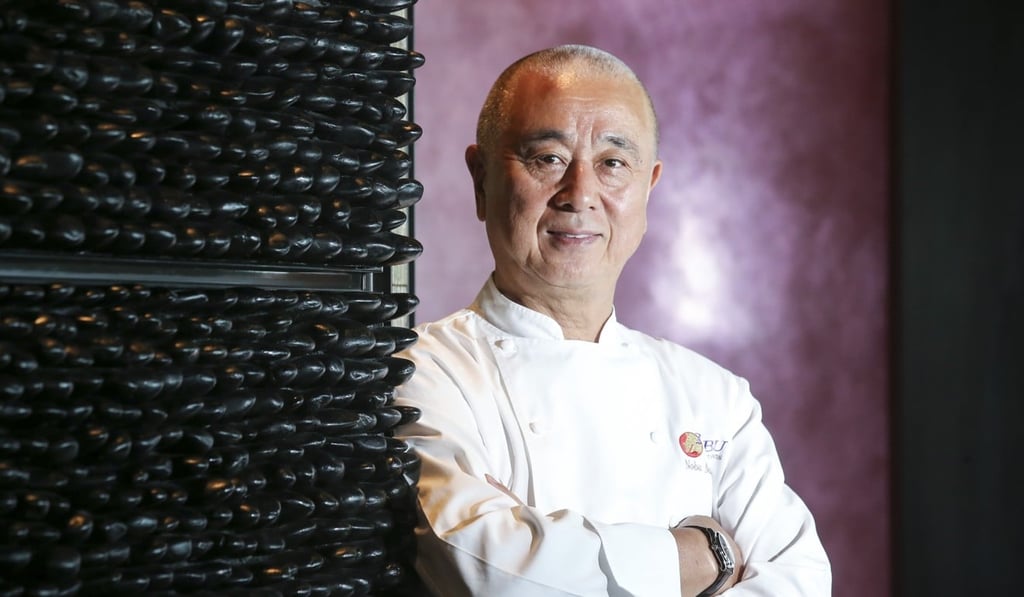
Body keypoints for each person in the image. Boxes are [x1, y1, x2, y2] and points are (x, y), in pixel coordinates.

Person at [394, 44, 831, 596]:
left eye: (613, 164)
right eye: (547, 158)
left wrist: (543, 555)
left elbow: (801, 580)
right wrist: (704, 559)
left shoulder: (716, 399)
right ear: (481, 179)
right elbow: (490, 573)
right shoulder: (419, 375)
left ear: (649, 186)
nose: (580, 194)